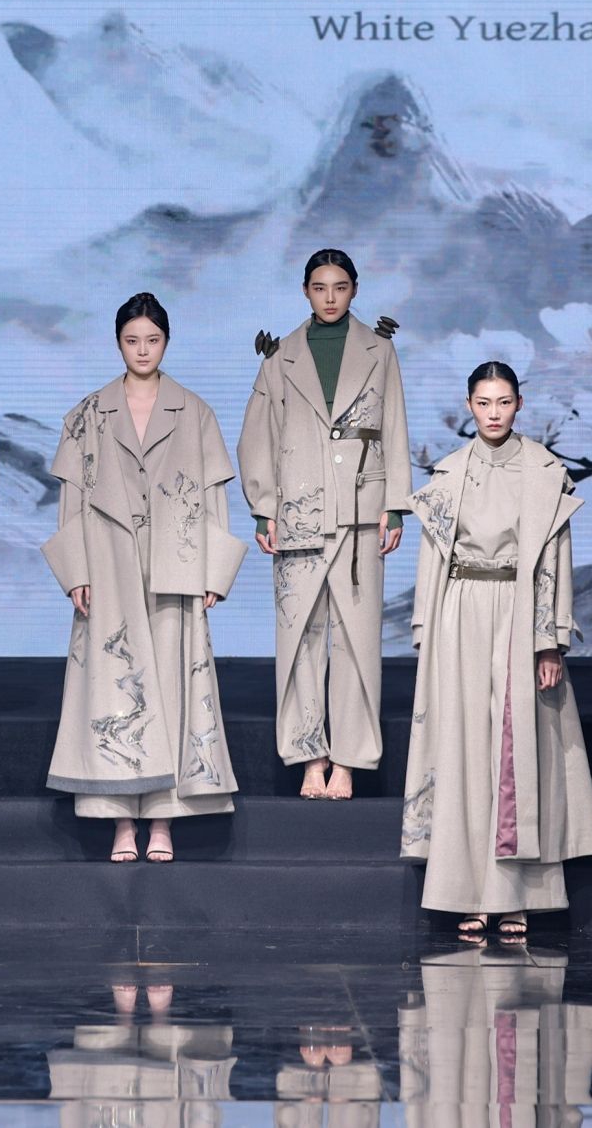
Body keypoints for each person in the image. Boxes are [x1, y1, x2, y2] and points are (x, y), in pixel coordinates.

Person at [401, 362, 592, 939]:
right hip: (460, 612)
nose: (494, 413)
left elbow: (555, 562)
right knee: (464, 751)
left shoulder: (544, 470)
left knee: (516, 753)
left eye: (504, 402)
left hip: (519, 612)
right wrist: (427, 629)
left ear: (519, 404)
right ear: (469, 404)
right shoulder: (449, 473)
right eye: (484, 402)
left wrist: (550, 641)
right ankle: (466, 893)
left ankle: (515, 898)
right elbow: (432, 560)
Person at [42, 294, 246, 862]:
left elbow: (214, 496)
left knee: (174, 686)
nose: (142, 350)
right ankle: (119, 823)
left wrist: (215, 572)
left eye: (152, 340)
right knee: (113, 687)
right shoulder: (87, 414)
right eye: (132, 341)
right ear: (118, 343)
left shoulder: (194, 411)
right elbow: (71, 500)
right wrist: (75, 573)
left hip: (175, 564)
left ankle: (163, 821)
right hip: (107, 563)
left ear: (166, 342)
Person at [237, 249, 412, 800]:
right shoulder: (279, 356)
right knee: (300, 639)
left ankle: (350, 759)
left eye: (339, 286)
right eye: (319, 287)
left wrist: (396, 504)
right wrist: (263, 506)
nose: (330, 297)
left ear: (355, 289)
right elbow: (258, 434)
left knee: (357, 640)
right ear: (305, 291)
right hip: (298, 511)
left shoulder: (379, 349)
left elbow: (394, 425)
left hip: (361, 509)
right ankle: (309, 756)